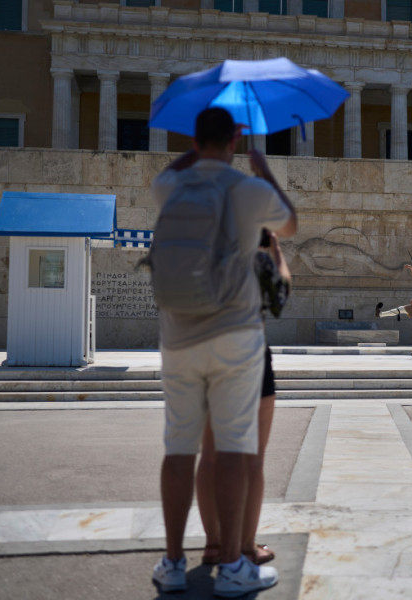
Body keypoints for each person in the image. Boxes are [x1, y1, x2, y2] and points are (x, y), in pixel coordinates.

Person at [149, 107, 296, 597]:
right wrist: (262, 168)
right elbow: (290, 223)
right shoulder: (248, 191)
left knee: (179, 449)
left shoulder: (170, 187)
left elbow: (169, 171)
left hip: (179, 335)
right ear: (234, 138)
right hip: (235, 334)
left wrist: (200, 148)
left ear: (194, 139)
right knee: (235, 449)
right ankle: (234, 565)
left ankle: (172, 562)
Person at [195, 229, 291, 569]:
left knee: (209, 457)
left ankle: (213, 545)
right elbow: (280, 294)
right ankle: (247, 548)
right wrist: (276, 251)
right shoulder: (259, 261)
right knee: (252, 459)